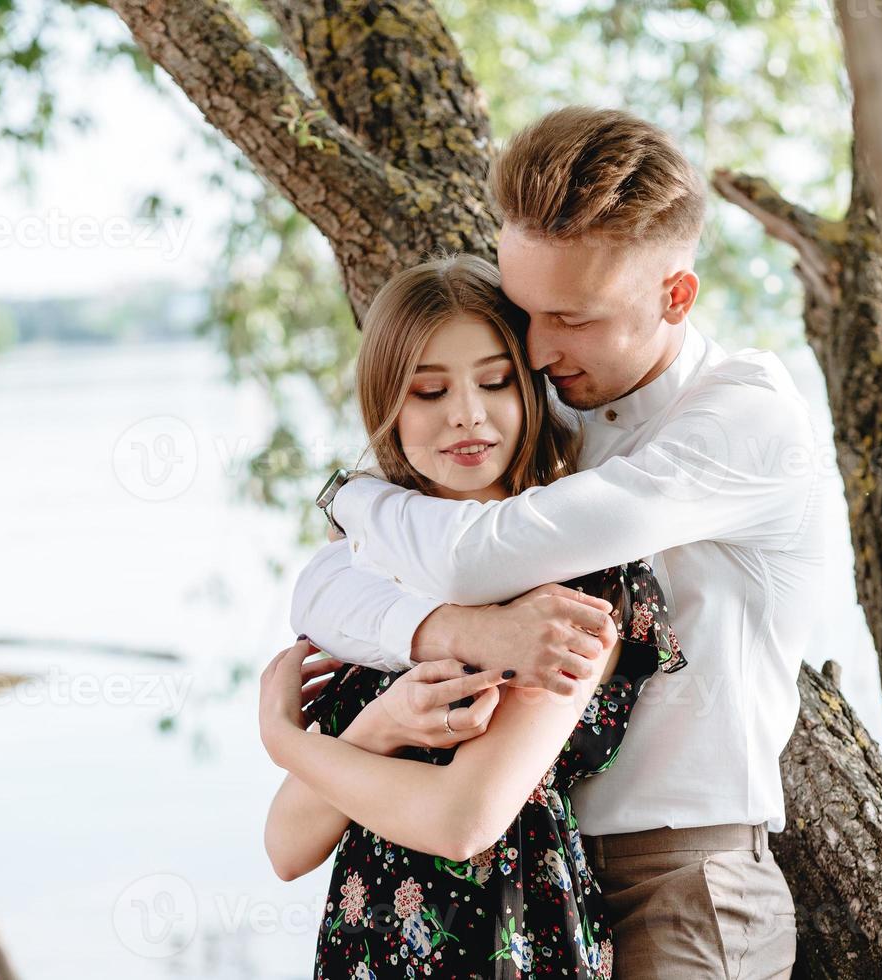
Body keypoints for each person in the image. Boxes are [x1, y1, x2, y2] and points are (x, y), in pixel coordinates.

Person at [292, 107, 823, 978]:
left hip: (683, 884)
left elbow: (467, 556)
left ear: (675, 296)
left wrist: (353, 497)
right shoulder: (552, 410)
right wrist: (453, 633)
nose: (536, 350)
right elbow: (321, 586)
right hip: (535, 875)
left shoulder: (742, 421)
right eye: (526, 311)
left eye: (572, 318)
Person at [258, 253, 686, 979]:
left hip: (508, 945)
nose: (467, 414)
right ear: (387, 405)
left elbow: (464, 821)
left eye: (494, 382)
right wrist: (380, 726)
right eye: (429, 391)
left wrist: (283, 739)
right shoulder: (373, 580)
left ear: (529, 390)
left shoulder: (579, 577)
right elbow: (286, 847)